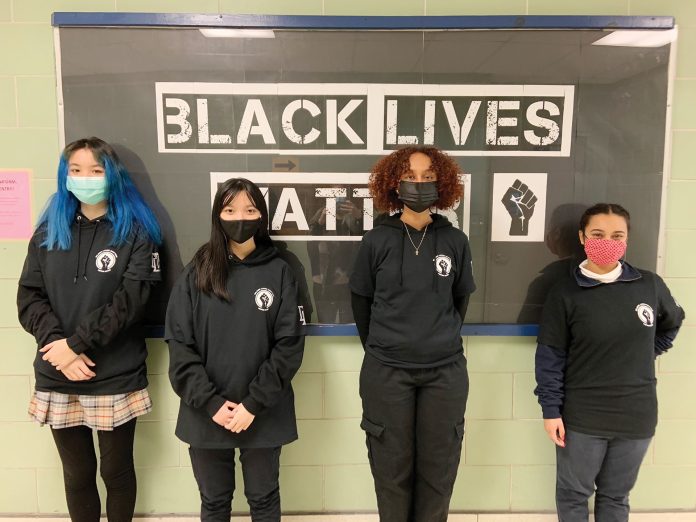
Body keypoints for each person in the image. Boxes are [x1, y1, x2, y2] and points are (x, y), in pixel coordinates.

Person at [17, 137, 162, 522]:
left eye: (96, 170)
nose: (85, 178)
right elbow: (29, 296)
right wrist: (58, 346)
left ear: (112, 175)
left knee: (115, 471)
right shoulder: (49, 231)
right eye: (76, 171)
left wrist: (78, 343)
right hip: (58, 370)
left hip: (114, 372)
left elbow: (130, 302)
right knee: (77, 473)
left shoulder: (136, 233)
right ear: (66, 178)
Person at [165, 178, 305, 522]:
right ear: (217, 215)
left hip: (263, 410)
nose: (239, 217)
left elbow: (288, 346)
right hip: (206, 411)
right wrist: (211, 403)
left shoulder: (281, 270)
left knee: (264, 498)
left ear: (261, 215)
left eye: (249, 209)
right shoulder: (197, 272)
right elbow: (180, 345)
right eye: (230, 210)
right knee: (214, 501)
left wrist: (253, 403)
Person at [534, 203, 685, 522]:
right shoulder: (565, 292)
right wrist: (550, 410)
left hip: (636, 415)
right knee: (574, 495)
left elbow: (672, 321)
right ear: (582, 236)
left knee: (616, 496)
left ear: (627, 239)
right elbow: (550, 356)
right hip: (582, 417)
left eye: (617, 235)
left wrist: (649, 350)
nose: (608, 241)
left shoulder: (649, 285)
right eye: (598, 234)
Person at [349, 146, 476, 521]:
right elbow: (361, 304)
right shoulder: (376, 240)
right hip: (387, 372)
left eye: (428, 177)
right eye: (410, 176)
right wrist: (388, 347)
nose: (419, 184)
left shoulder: (455, 241)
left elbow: (459, 303)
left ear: (443, 184)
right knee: (391, 471)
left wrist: (435, 339)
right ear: (394, 183)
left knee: (439, 470)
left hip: (445, 373)